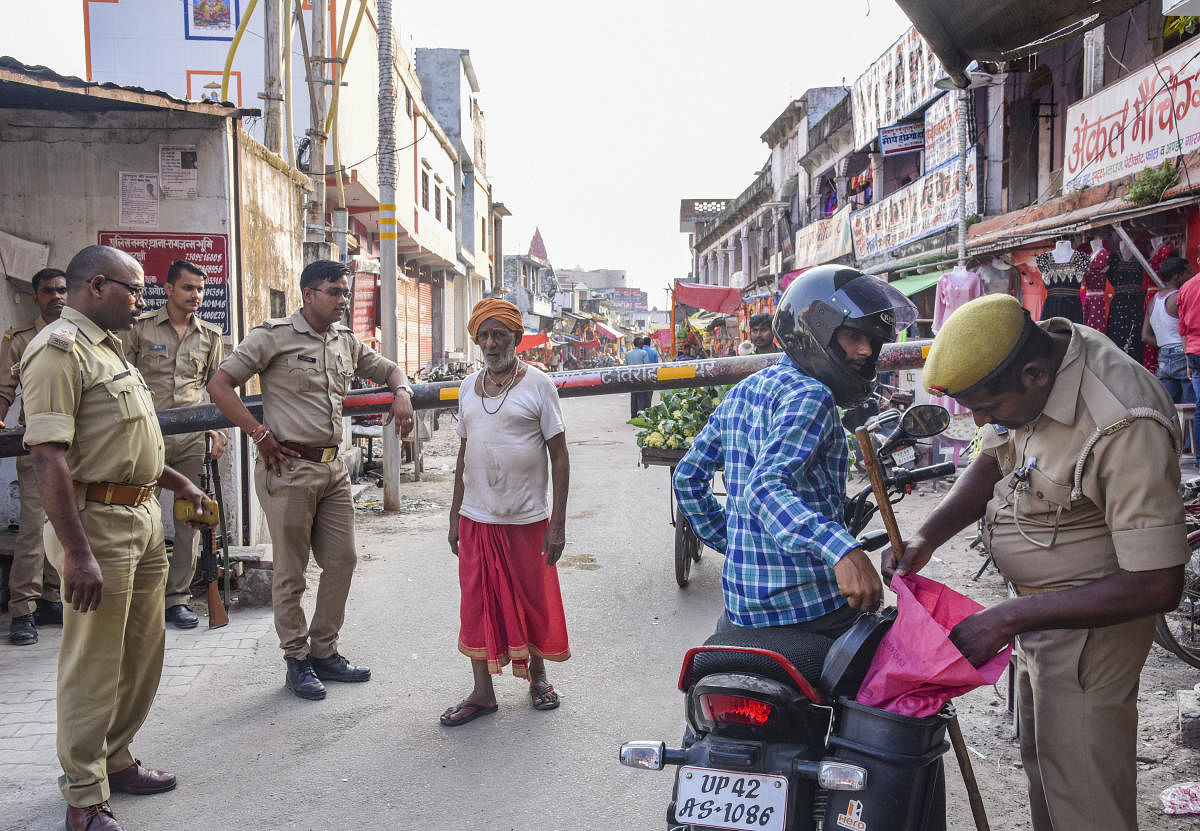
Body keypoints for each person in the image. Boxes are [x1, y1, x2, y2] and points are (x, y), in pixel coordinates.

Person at [891, 293, 1189, 831]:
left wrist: (1006, 620)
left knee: (1084, 795)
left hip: (1092, 629)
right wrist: (927, 535)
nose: (980, 419)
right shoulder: (1033, 367)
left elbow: (1158, 583)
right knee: (1048, 771)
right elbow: (991, 459)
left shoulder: (1121, 421)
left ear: (1033, 374)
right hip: (1036, 616)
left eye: (987, 406)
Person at [22, 245, 209, 831]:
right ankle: (83, 796)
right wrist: (76, 554)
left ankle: (115, 757)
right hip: (96, 528)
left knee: (141, 654)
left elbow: (127, 438)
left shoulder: (108, 349)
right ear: (97, 286)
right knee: (94, 663)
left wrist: (176, 481)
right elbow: (50, 458)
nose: (142, 300)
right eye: (135, 290)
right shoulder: (58, 352)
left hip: (143, 518)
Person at [207, 260, 415, 701]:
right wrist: (258, 433)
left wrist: (401, 394)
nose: (343, 300)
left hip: (333, 469)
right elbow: (221, 384)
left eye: (344, 292)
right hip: (288, 469)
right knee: (291, 572)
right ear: (308, 294)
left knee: (342, 561)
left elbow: (390, 369)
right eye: (334, 292)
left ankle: (324, 651)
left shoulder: (344, 342)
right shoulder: (273, 336)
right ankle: (296, 660)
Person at [674, 266, 917, 636]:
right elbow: (766, 487)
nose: (866, 350)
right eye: (853, 336)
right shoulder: (812, 395)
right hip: (808, 607)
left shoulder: (744, 389)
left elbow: (688, 478)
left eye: (871, 340)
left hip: (741, 609)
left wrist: (736, 542)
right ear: (815, 331)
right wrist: (842, 551)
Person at [441, 298, 571, 726]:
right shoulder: (466, 388)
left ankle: (538, 679)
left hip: (526, 518)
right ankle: (483, 693)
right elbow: (464, 454)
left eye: (500, 335)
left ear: (516, 339)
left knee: (531, 601)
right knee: (476, 604)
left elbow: (560, 456)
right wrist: (455, 512)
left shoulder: (538, 384)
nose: (491, 343)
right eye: (484, 335)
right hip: (477, 517)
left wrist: (558, 523)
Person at [124, 260, 226, 629]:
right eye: (188, 288)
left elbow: (218, 389)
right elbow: (122, 381)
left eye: (200, 289)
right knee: (139, 515)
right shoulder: (140, 328)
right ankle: (141, 595)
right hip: (145, 436)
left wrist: (218, 430)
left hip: (190, 439)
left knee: (188, 518)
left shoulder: (211, 336)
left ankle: (177, 599)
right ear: (168, 289)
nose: (195, 295)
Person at [0, 267, 67, 645]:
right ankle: (22, 610)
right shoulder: (20, 340)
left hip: (76, 446)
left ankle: (51, 598)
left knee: (65, 525)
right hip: (37, 445)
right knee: (32, 531)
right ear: (35, 297)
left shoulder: (81, 335)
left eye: (61, 290)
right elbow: (3, 390)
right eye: (48, 291)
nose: (56, 296)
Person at [1143, 256, 1193, 407]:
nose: (1191, 277)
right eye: (1188, 273)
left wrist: (1166, 344)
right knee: (1191, 405)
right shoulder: (1179, 298)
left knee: (1169, 407)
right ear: (1178, 277)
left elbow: (1145, 336)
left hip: (1164, 356)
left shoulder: (1153, 301)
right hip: (1182, 354)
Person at [625, 336, 649, 419]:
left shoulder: (628, 354)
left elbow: (626, 367)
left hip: (631, 378)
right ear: (641, 344)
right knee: (641, 397)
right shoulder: (644, 353)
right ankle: (641, 415)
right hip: (641, 378)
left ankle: (633, 416)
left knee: (633, 397)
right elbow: (647, 366)